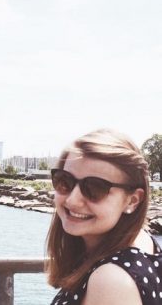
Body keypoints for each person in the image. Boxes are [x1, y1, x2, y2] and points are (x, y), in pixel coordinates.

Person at [46, 129, 162, 305]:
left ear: (132, 200)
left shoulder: (112, 281)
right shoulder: (143, 242)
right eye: (65, 181)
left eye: (94, 188)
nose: (73, 200)